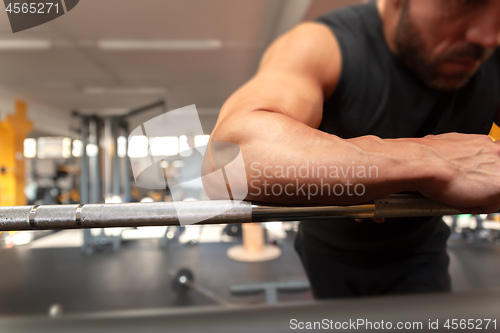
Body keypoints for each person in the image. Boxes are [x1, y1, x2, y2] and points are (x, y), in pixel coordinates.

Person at [209, 0, 500, 299]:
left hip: (420, 248)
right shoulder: (323, 45)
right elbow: (226, 160)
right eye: (464, 3)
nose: (489, 37)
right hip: (327, 249)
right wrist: (431, 161)